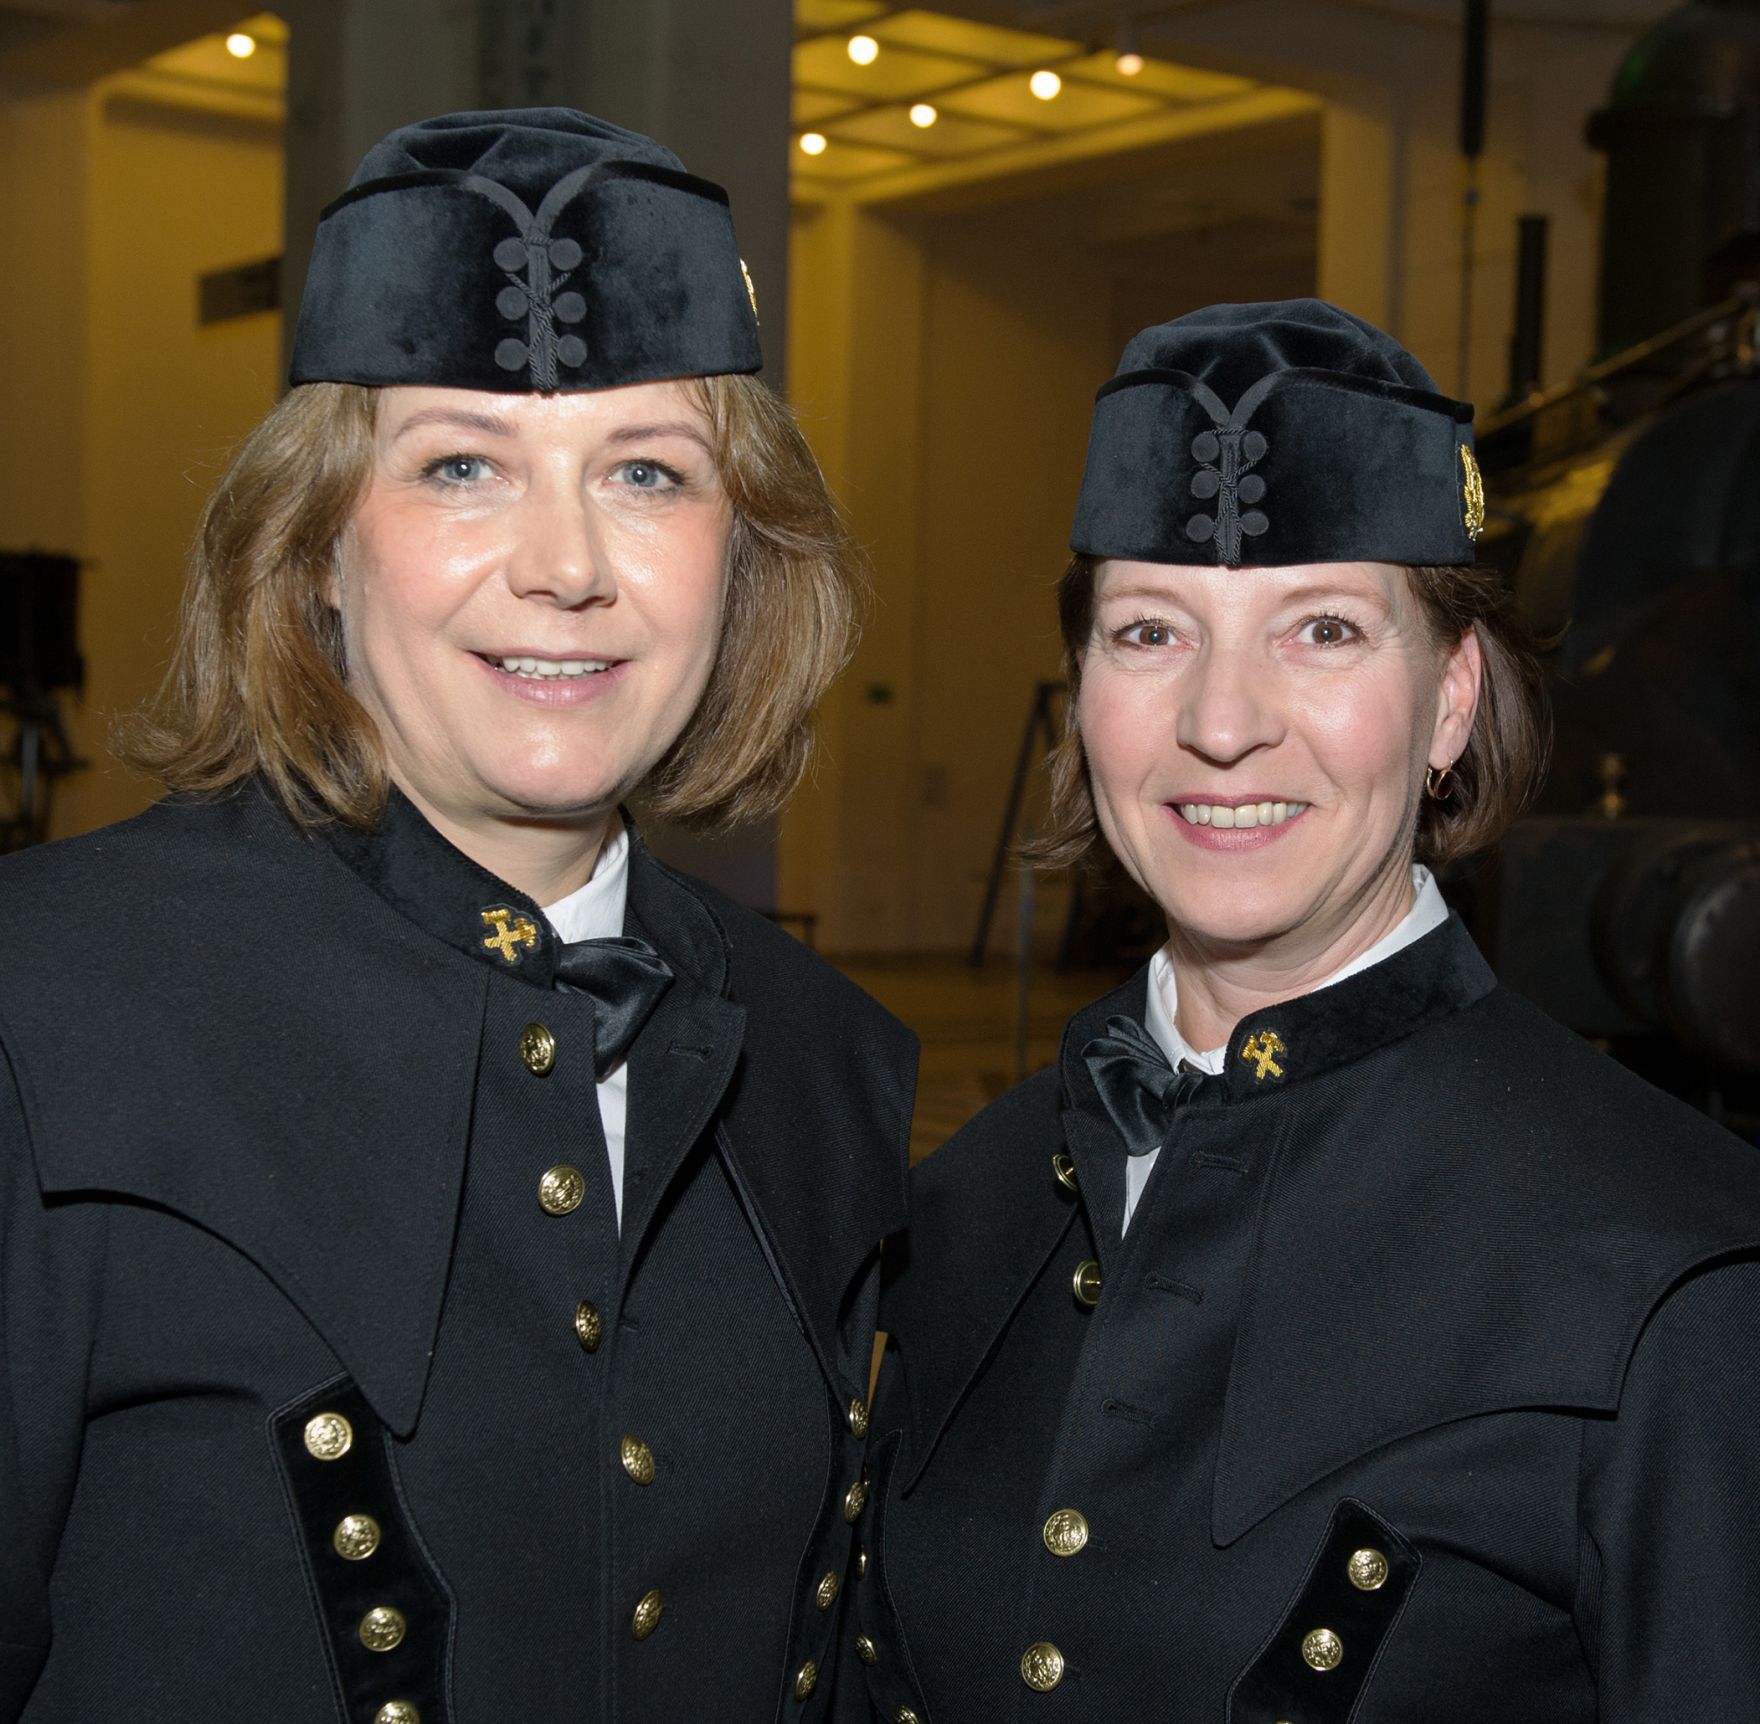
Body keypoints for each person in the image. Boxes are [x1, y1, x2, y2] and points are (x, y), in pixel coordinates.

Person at [0, 110, 914, 1724]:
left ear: (741, 559)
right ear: (318, 556)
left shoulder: (833, 1066)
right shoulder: (46, 1007)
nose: (565, 564)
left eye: (646, 472)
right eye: (462, 465)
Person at [849, 300, 1760, 1722]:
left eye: (1323, 630)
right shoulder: (962, 1211)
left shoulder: (1672, 1278)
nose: (1224, 720)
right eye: (1151, 632)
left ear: (1452, 700)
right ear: (1083, 695)